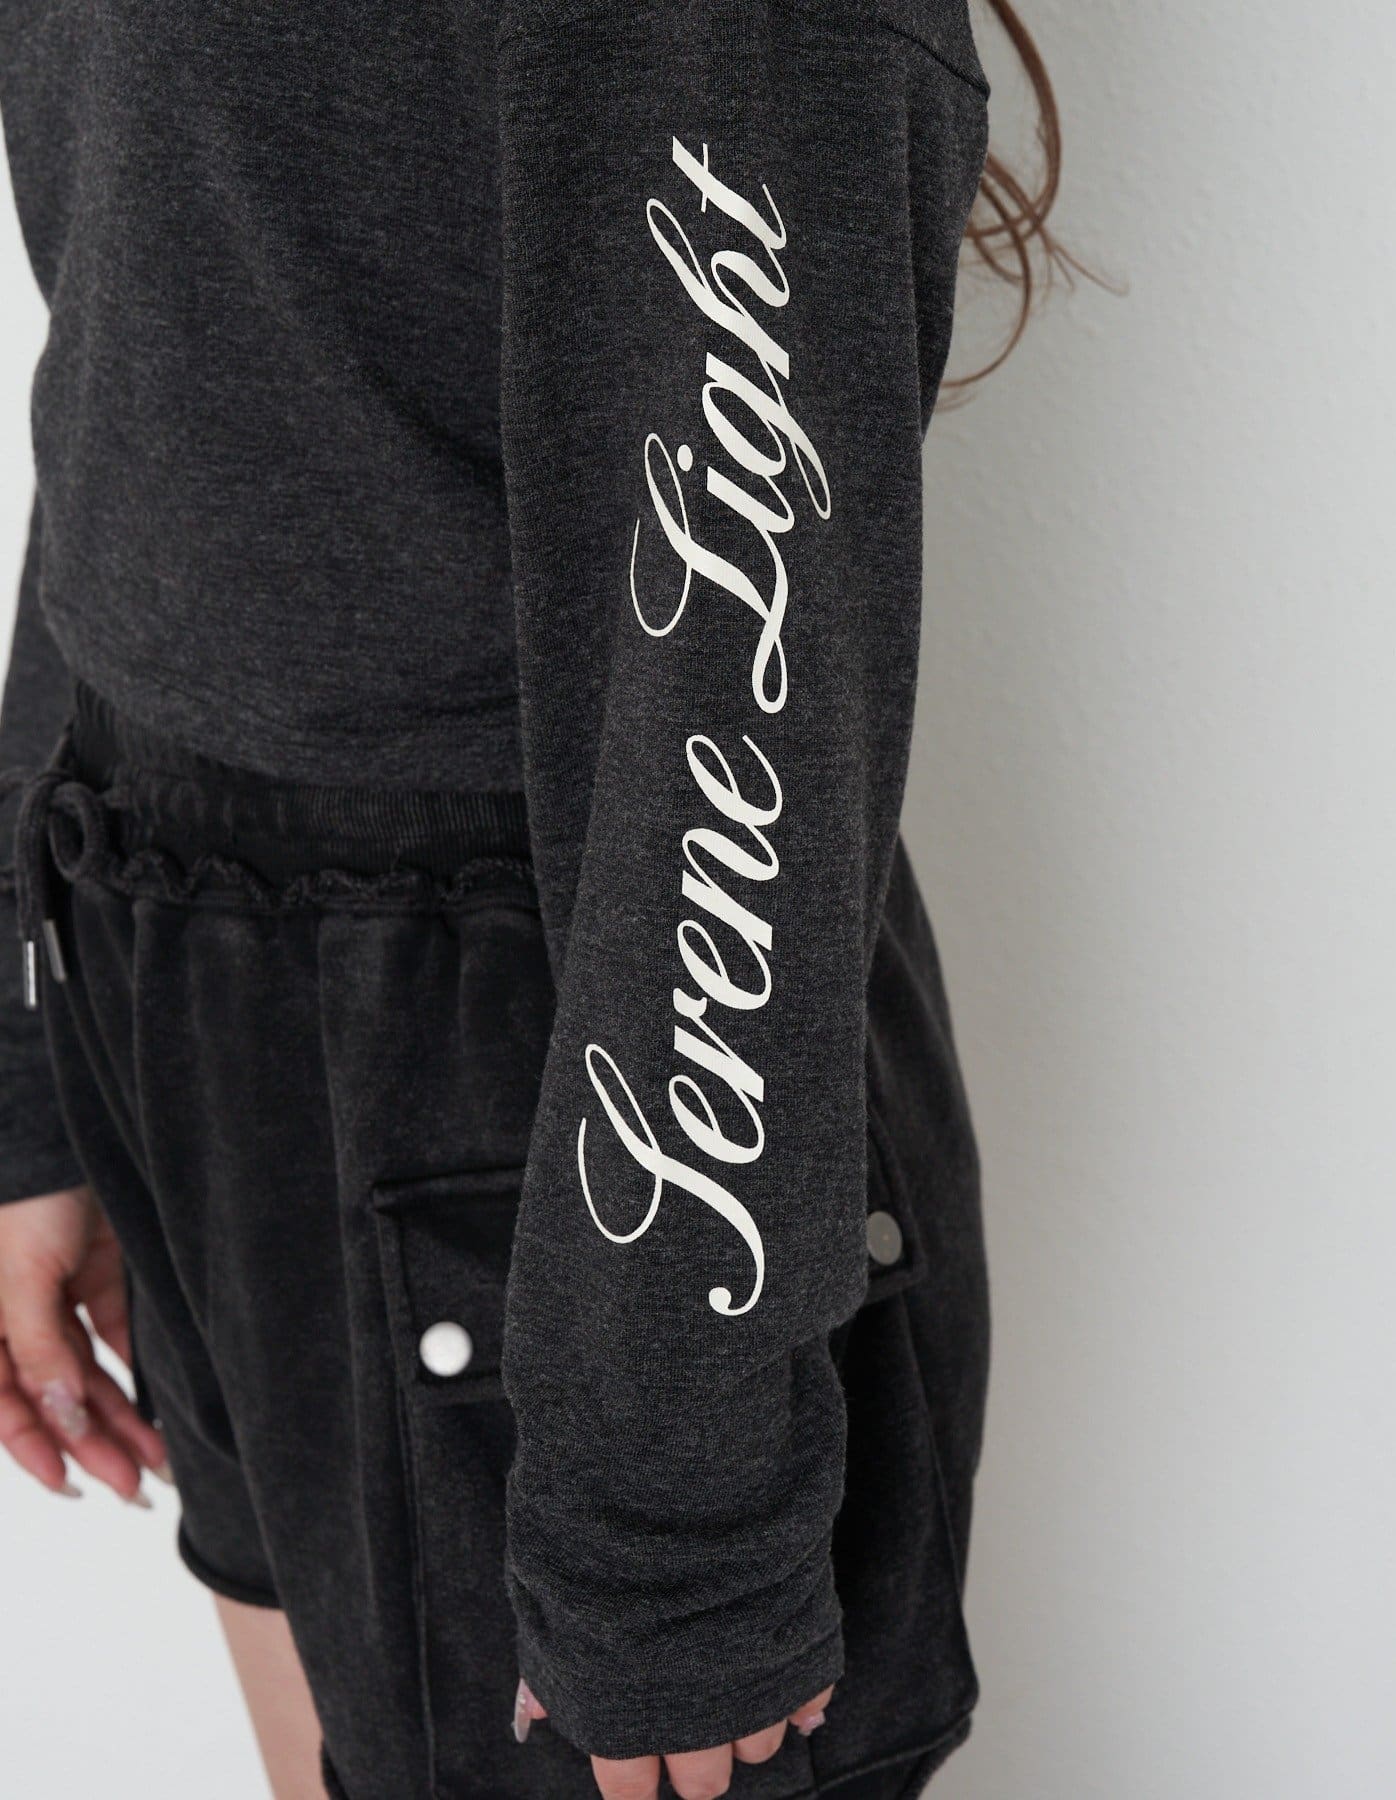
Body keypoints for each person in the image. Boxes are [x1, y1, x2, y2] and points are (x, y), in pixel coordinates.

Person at [0, 2, 1072, 1795]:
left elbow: (732, 687)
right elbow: (144, 333)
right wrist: (37, 1056)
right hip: (178, 968)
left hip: (589, 1090)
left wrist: (675, 1524)